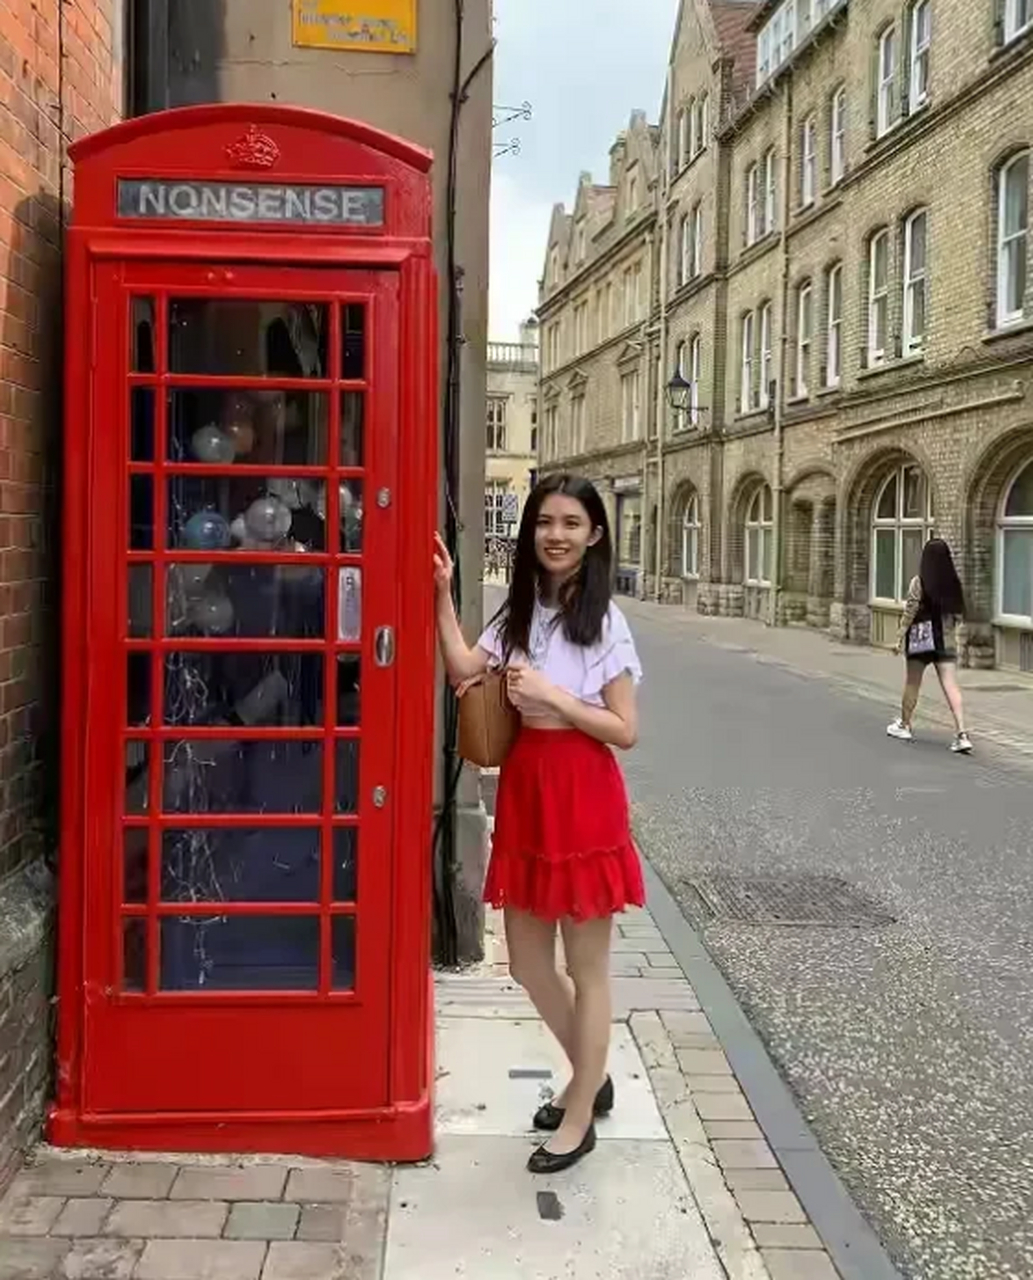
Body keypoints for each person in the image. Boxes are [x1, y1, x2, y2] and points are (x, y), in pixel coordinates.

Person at [433, 473, 644, 1175]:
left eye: (570, 524)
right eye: (544, 523)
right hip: (525, 793)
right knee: (525, 961)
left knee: (586, 969)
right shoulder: (517, 614)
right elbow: (464, 669)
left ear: (594, 536)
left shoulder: (603, 623)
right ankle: (592, 1072)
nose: (555, 535)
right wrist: (441, 593)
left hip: (582, 792)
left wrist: (554, 696)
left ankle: (579, 1109)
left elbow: (623, 729)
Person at [887, 538, 972, 753]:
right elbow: (958, 614)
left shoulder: (919, 581)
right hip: (946, 640)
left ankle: (905, 725)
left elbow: (910, 611)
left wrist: (899, 637)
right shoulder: (954, 583)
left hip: (920, 640)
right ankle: (962, 734)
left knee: (912, 683)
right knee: (951, 686)